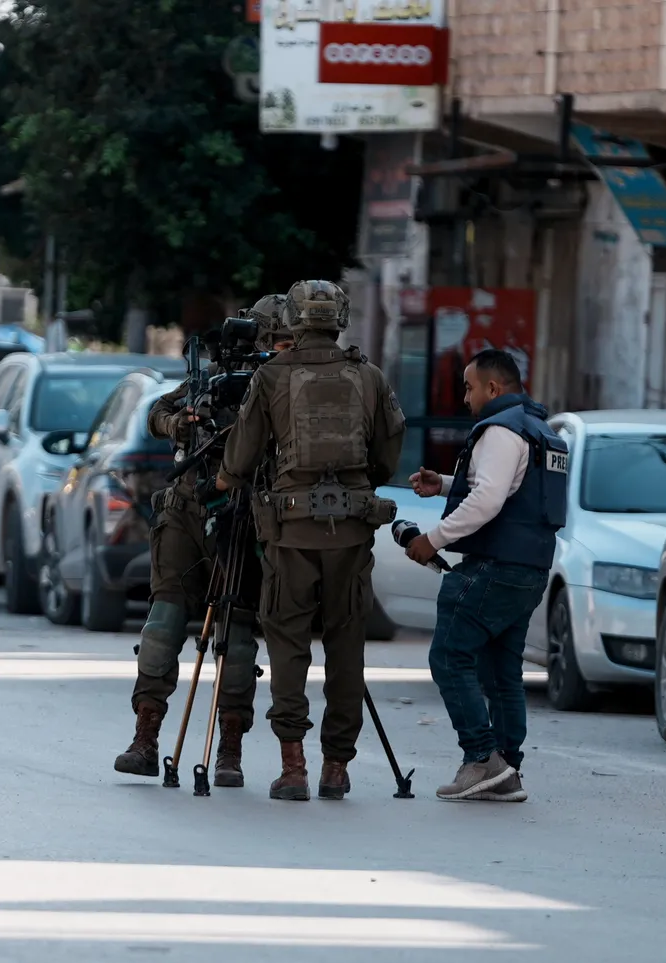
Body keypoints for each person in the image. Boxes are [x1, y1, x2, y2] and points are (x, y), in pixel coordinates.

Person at [217, 280, 404, 801]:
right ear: (340, 317)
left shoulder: (272, 375)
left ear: (294, 320)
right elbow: (388, 456)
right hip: (352, 533)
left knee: (288, 645)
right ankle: (337, 768)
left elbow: (238, 461)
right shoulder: (368, 376)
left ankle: (293, 765)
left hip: (291, 532)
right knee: (346, 645)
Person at [112, 297, 284, 787]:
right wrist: (182, 419)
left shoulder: (278, 387)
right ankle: (146, 738)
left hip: (245, 513)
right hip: (188, 509)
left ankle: (230, 749)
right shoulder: (205, 381)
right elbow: (156, 415)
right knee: (163, 622)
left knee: (238, 632)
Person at [405, 348, 567, 803]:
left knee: (449, 657)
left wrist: (432, 539)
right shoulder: (540, 431)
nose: (464, 397)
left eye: (469, 387)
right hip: (529, 568)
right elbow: (513, 492)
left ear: (493, 388)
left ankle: (481, 759)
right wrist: (445, 482)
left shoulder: (500, 429)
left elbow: (489, 500)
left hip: (493, 567)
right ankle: (506, 770)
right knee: (501, 672)